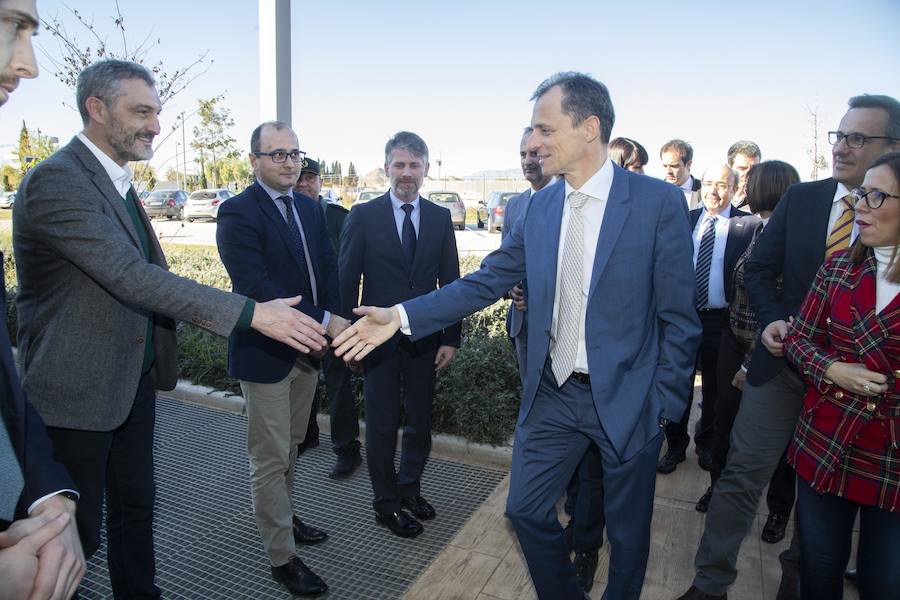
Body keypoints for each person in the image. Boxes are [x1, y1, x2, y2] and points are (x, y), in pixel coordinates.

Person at [334, 72, 701, 600]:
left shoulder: (656, 203)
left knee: (627, 537)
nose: (534, 142)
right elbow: (486, 280)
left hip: (627, 399)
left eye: (544, 129)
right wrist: (401, 316)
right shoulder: (540, 206)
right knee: (526, 511)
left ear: (589, 127)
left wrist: (664, 404)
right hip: (553, 394)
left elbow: (679, 317)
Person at [13, 60, 328, 599]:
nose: (156, 126)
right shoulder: (57, 181)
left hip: (131, 382)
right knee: (66, 538)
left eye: (156, 112)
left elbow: (153, 278)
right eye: (141, 112)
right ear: (96, 109)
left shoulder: (118, 184)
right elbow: (132, 277)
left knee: (136, 512)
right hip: (76, 391)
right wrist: (253, 314)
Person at [675, 93, 900, 600]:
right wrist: (775, 321)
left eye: (857, 138)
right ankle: (710, 585)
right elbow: (754, 268)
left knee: (821, 494)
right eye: (838, 136)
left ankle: (800, 584)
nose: (841, 147)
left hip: (862, 393)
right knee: (741, 475)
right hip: (783, 368)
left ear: (894, 148)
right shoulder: (804, 199)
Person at [216, 122, 345, 597]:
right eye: (277, 155)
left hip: (308, 352)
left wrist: (332, 319)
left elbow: (327, 270)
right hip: (265, 354)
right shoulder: (236, 212)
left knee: (291, 446)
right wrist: (325, 323)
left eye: (295, 154)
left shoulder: (310, 209)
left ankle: (285, 518)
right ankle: (282, 555)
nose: (290, 162)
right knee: (270, 457)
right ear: (254, 161)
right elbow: (256, 288)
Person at [784, 151, 900, 600]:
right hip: (826, 439)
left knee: (884, 581)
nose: (860, 206)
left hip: (891, 455)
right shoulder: (837, 270)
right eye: (860, 195)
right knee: (818, 568)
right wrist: (831, 369)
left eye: (876, 195)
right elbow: (797, 341)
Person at [0, 2, 85, 598]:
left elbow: (5, 388)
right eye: (10, 26)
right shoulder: (55, 179)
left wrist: (50, 499)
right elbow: (131, 275)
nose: (28, 64)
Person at [338, 131, 461, 538]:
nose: (407, 173)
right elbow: (346, 285)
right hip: (377, 342)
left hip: (425, 340)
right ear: (386, 167)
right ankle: (385, 504)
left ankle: (409, 489)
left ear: (426, 169)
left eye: (414, 165)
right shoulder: (363, 216)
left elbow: (452, 285)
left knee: (420, 421)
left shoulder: (441, 218)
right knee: (381, 425)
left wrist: (450, 338)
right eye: (399, 165)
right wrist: (349, 342)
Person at [707, 161, 801, 542]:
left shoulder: (793, 238)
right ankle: (719, 492)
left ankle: (778, 511)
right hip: (734, 337)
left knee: (776, 440)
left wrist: (749, 363)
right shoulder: (757, 228)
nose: (743, 186)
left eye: (750, 181)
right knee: (721, 421)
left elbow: (780, 304)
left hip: (770, 351)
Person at [658, 165, 754, 488]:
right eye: (710, 183)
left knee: (715, 387)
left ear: (735, 187)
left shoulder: (747, 225)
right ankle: (675, 446)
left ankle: (706, 445)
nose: (714, 191)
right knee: (679, 383)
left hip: (721, 320)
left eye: (722, 185)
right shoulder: (686, 218)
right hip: (684, 315)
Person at [294, 157, 362, 478]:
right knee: (302, 376)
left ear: (321, 183)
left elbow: (352, 270)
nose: (304, 184)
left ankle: (347, 448)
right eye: (299, 179)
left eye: (310, 178)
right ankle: (306, 436)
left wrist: (349, 319)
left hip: (335, 315)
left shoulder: (338, 218)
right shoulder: (287, 216)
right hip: (298, 315)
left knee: (337, 381)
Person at [661, 139, 702, 209]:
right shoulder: (656, 191)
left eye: (674, 166)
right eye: (665, 166)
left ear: (688, 164)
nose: (668, 171)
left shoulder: (704, 191)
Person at [726, 140, 761, 206]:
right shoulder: (710, 191)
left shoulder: (765, 197)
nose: (749, 174)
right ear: (729, 168)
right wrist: (735, 202)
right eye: (742, 168)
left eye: (754, 168)